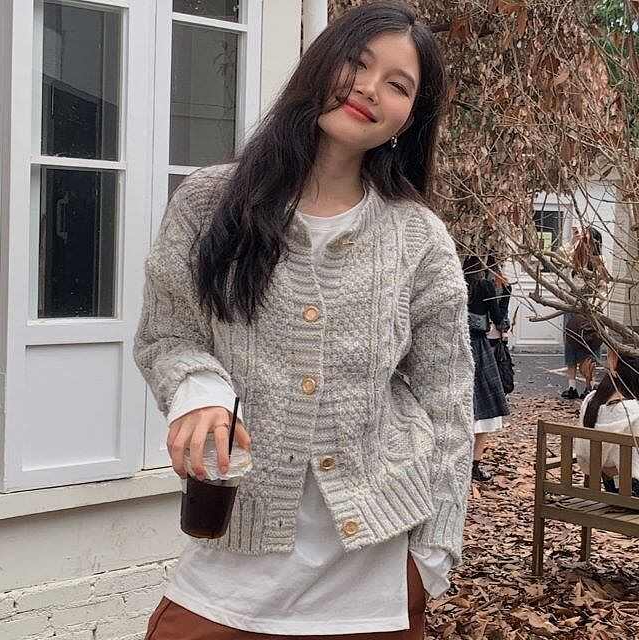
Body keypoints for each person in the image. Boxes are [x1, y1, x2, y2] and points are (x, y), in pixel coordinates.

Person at [133, 3, 474, 639]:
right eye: (358, 63)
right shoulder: (210, 203)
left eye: (398, 85)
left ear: (410, 117)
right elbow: (169, 335)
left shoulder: (418, 238)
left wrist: (432, 556)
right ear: (320, 64)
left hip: (374, 581)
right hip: (233, 564)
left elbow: (448, 402)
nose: (369, 89)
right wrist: (201, 392)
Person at [463, 255, 510, 483]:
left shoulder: (456, 282)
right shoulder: (485, 285)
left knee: (463, 404)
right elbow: (500, 321)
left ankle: (459, 461)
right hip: (479, 348)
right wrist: (506, 295)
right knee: (484, 410)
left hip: (456, 345)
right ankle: (474, 464)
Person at [575, 349, 639, 497]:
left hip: (613, 489)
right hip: (634, 492)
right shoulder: (633, 411)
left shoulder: (591, 401)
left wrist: (589, 382)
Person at [561, 226, 605, 400]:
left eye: (587, 238)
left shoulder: (599, 261)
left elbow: (603, 287)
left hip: (590, 310)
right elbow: (559, 256)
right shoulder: (574, 255)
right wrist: (573, 240)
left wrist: (594, 306)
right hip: (572, 306)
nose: (584, 242)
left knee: (590, 347)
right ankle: (571, 386)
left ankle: (589, 386)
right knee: (570, 346)